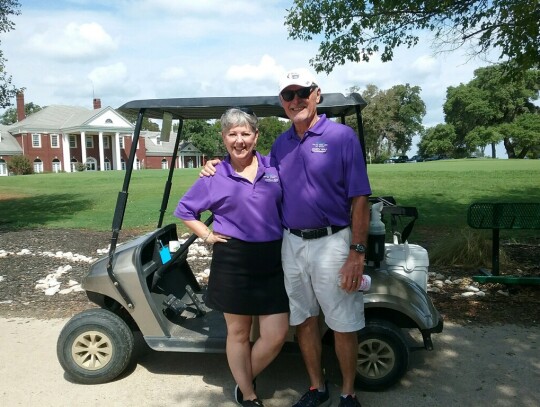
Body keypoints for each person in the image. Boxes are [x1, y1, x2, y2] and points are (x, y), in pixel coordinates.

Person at [202, 69, 372, 407]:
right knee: (304, 319)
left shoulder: (341, 137)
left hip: (333, 242)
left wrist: (357, 253)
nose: (296, 100)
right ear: (283, 103)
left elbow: (360, 198)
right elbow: (250, 165)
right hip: (291, 243)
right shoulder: (280, 144)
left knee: (342, 322)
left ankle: (348, 392)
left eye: (302, 93)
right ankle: (316, 387)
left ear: (316, 94)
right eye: (288, 95)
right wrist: (216, 164)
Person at [174, 107, 289, 407]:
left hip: (272, 258)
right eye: (232, 134)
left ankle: (243, 378)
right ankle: (248, 394)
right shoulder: (215, 175)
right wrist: (208, 236)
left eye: (245, 133)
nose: (240, 140)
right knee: (238, 333)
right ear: (224, 138)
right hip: (233, 258)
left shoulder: (274, 168)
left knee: (275, 334)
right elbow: (186, 211)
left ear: (256, 136)